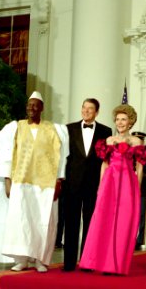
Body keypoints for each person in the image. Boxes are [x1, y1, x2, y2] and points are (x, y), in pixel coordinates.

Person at [0, 91, 69, 272]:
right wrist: (7, 179)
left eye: (35, 105)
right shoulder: (15, 128)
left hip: (45, 184)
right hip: (21, 181)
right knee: (21, 220)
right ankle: (21, 259)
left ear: (42, 108)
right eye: (29, 105)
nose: (31, 108)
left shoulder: (55, 129)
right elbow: (6, 154)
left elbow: (62, 157)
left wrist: (59, 180)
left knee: (43, 221)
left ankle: (40, 260)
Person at [79, 104, 146, 275]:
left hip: (127, 183)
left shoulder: (137, 141)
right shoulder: (108, 141)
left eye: (123, 119)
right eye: (117, 119)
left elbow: (140, 167)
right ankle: (97, 261)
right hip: (110, 182)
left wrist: (137, 189)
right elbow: (104, 164)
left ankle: (116, 264)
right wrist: (100, 186)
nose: (120, 122)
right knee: (104, 220)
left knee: (122, 222)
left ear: (130, 122)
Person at [62, 98, 112, 271]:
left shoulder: (106, 131)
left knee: (91, 224)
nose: (86, 111)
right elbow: (64, 157)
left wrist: (103, 184)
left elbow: (106, 160)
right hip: (72, 184)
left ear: (96, 112)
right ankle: (68, 263)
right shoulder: (69, 129)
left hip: (93, 185)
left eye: (90, 109)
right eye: (84, 108)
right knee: (71, 224)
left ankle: (87, 262)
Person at [131, 131, 146, 251]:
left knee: (141, 214)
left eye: (141, 140)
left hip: (141, 189)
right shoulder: (128, 153)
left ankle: (139, 240)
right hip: (127, 188)